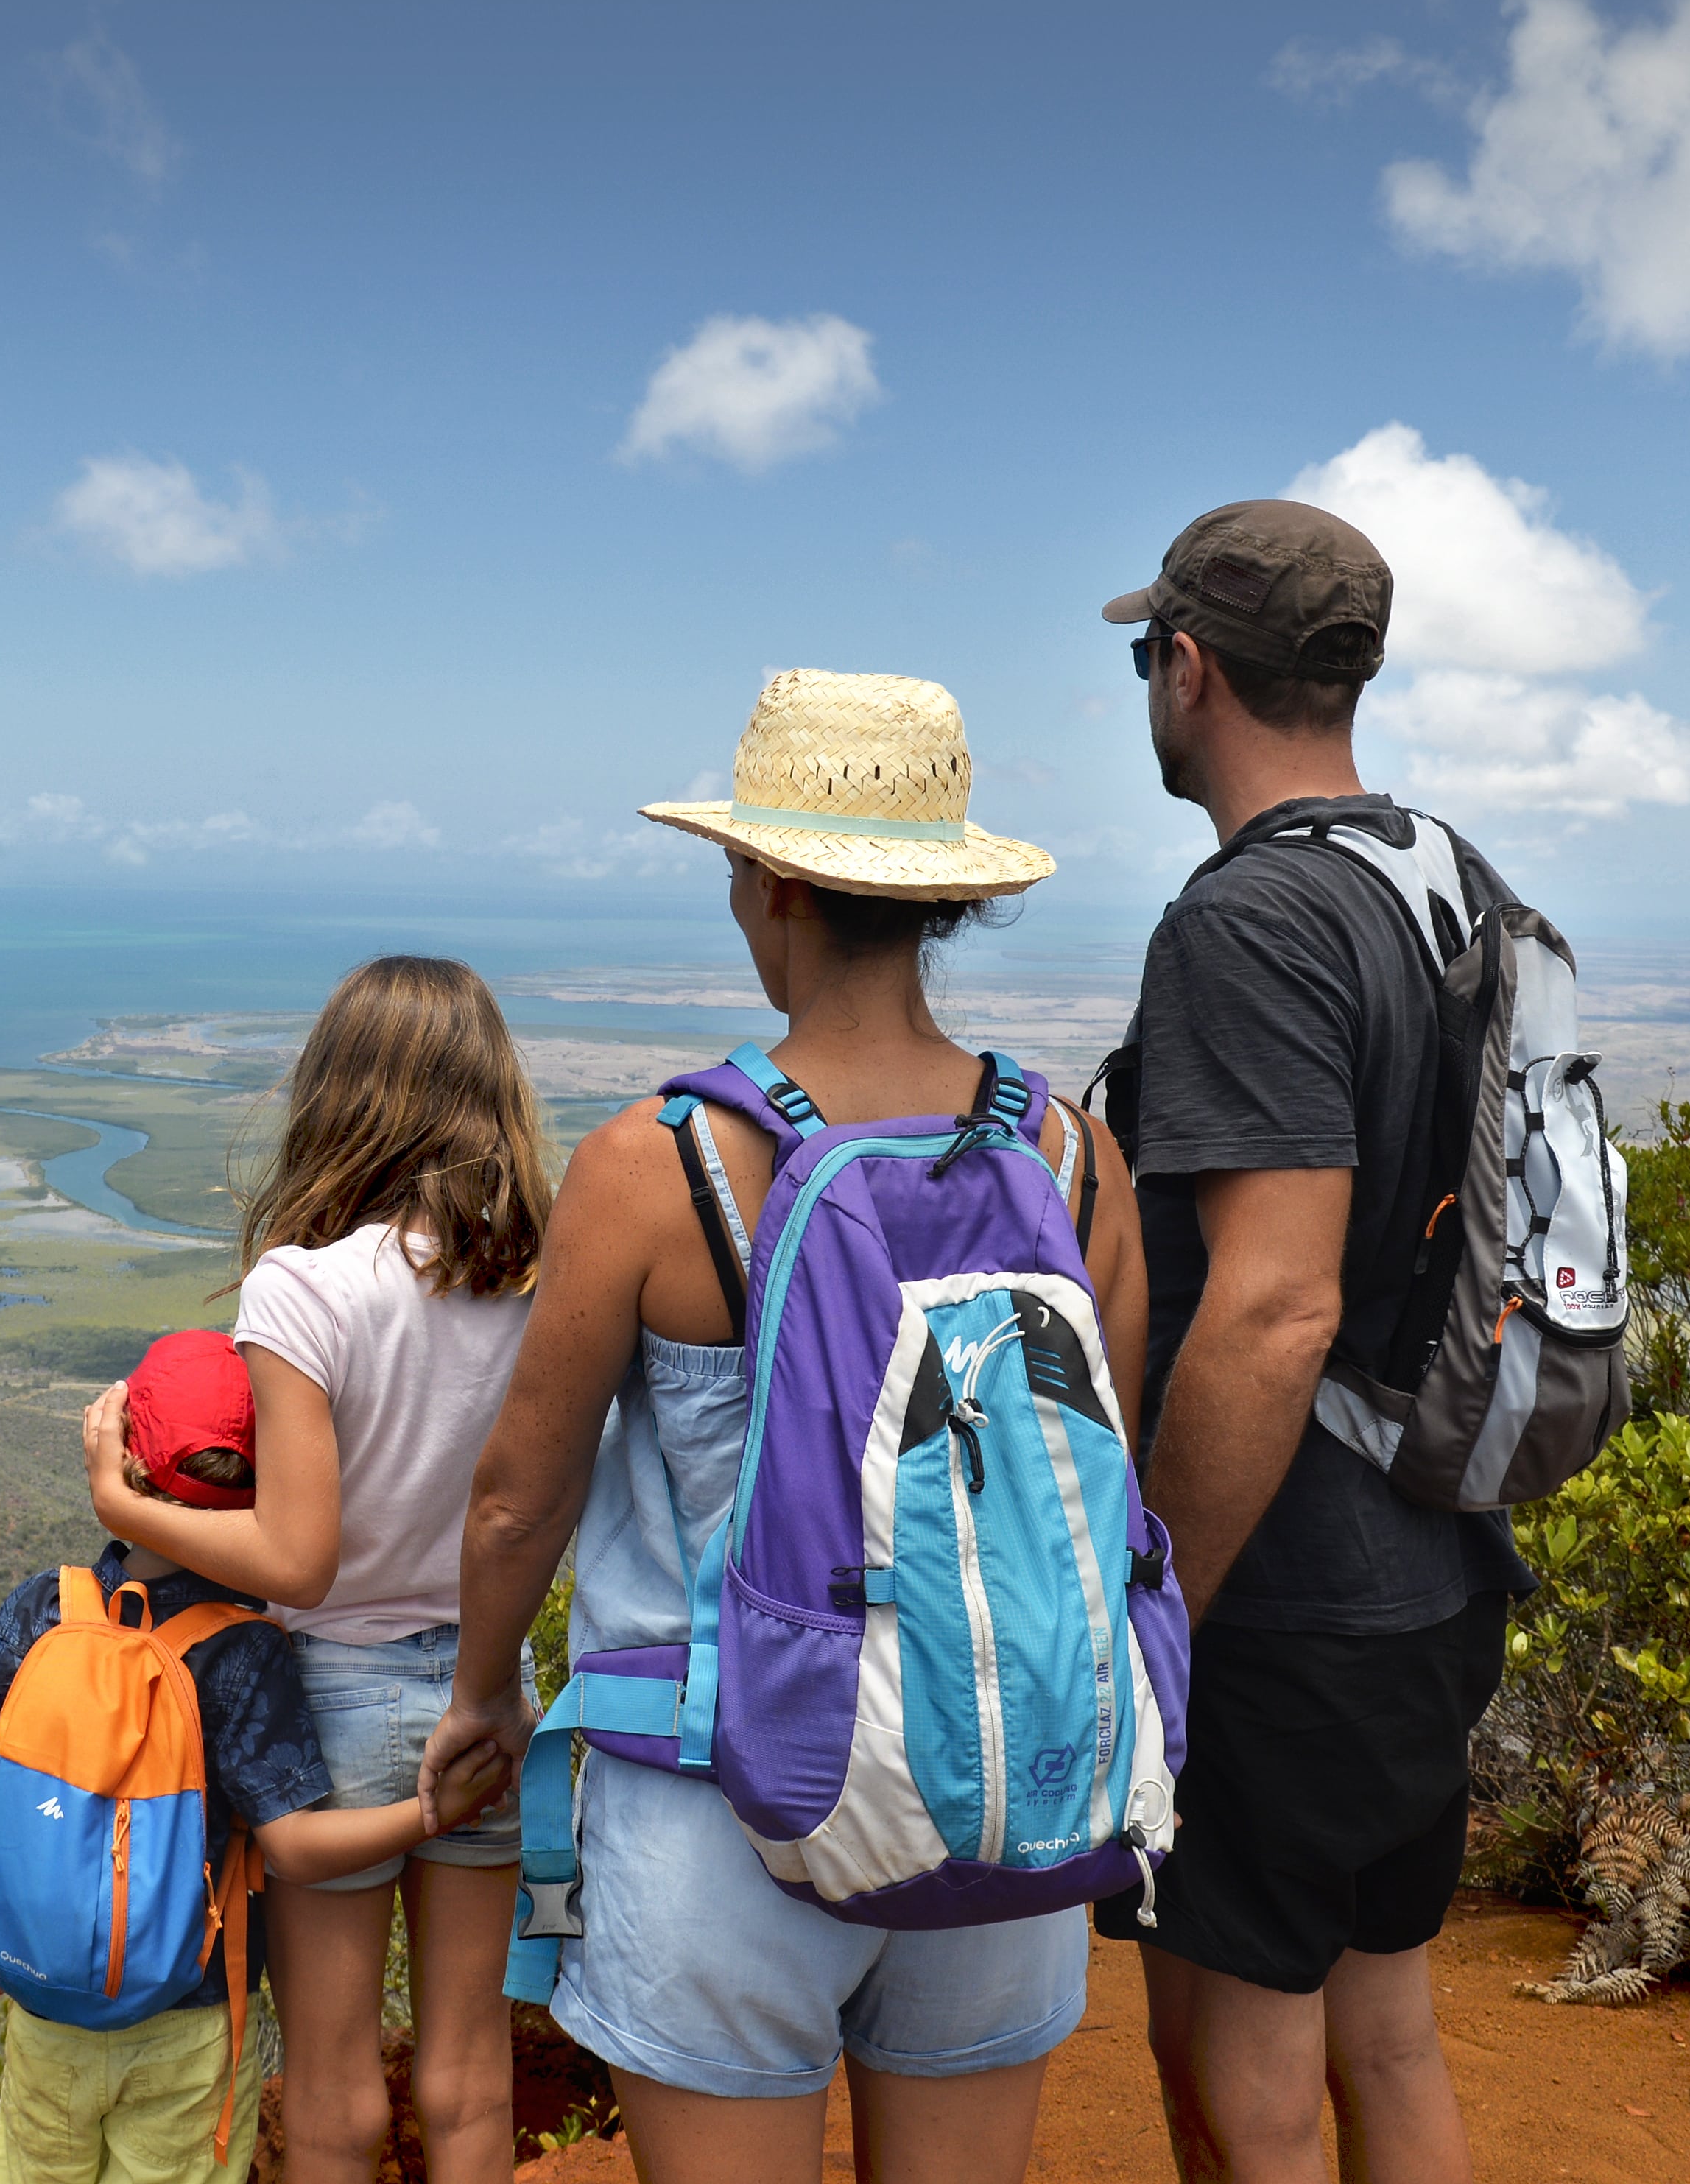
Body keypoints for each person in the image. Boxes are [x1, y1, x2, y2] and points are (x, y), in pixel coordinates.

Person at [423, 669, 1152, 2184]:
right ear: (942, 899)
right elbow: (1097, 1483)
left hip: (723, 1804)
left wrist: (484, 1687)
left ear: (762, 883)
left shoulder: (663, 1161)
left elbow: (516, 1497)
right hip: (989, 1802)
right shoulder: (1077, 1160)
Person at [1092, 501, 1539, 2184]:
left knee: (1244, 2056)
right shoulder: (1449, 880)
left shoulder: (1252, 920)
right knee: (1390, 2027)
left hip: (1284, 1594)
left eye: (1150, 654)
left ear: (1190, 666)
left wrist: (1159, 1614)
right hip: (1435, 1551)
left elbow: (1273, 1309)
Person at [79, 957, 554, 2184]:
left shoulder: (304, 1290)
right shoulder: (527, 1288)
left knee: (333, 2082)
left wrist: (117, 1502)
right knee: (466, 2077)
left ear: (335, 1098)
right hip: (489, 1694)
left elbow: (296, 1552)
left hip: (330, 1699)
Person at [0, 1329, 513, 2184]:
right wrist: (430, 1815)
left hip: (43, 2003)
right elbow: (291, 1847)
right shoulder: (245, 1653)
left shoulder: (37, 1611)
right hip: (190, 2017)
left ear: (122, 1456)